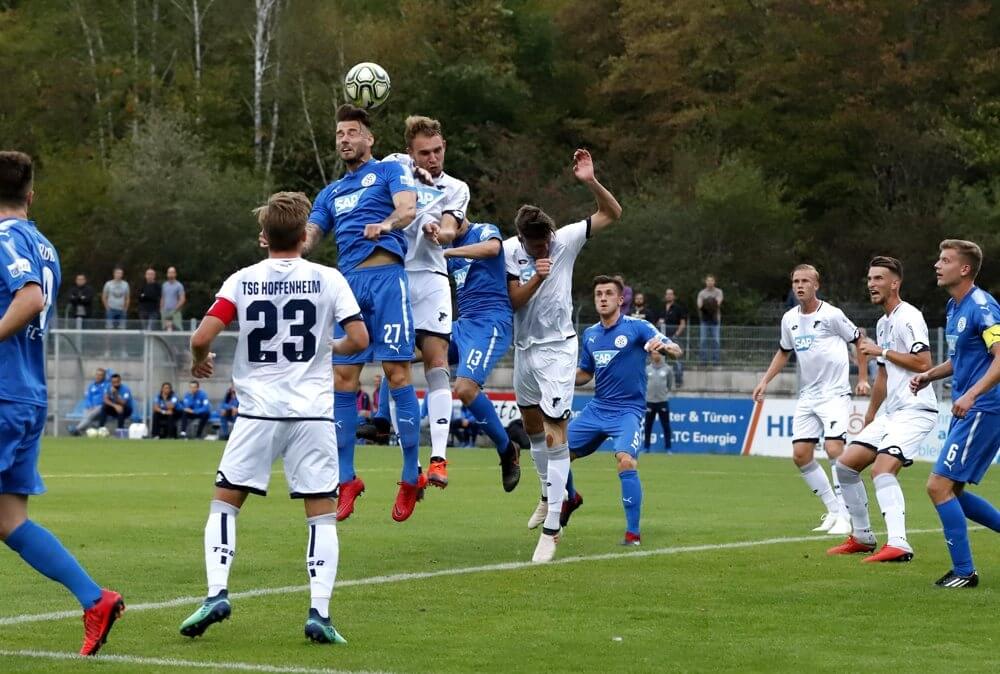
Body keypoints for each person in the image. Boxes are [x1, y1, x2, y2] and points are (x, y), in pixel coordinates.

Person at [179, 190, 367, 642]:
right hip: (313, 415)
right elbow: (359, 339)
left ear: (264, 237)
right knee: (321, 514)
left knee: (225, 503)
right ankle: (319, 614)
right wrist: (332, 347)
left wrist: (199, 359)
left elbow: (202, 334)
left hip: (259, 413)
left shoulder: (242, 280)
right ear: (305, 236)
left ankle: (216, 593)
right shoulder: (328, 279)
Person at [0, 150, 123, 655]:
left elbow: (28, 298)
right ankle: (95, 599)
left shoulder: (5, 239)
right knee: (9, 520)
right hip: (27, 393)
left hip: (4, 391)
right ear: (31, 194)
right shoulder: (44, 246)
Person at [299, 104, 420, 523]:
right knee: (342, 378)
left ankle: (410, 477)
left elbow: (408, 209)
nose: (345, 139)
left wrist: (385, 225)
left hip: (387, 279)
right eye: (339, 134)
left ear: (369, 139)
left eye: (352, 132)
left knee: (397, 373)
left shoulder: (388, 172)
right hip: (347, 288)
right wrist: (289, 242)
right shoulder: (329, 193)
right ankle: (347, 477)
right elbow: (312, 234)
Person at [504, 148, 622, 563]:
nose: (543, 250)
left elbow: (612, 213)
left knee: (556, 436)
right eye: (535, 246)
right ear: (521, 239)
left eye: (545, 243)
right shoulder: (507, 252)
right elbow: (514, 302)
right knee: (533, 429)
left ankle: (552, 529)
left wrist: (590, 181)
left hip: (558, 349)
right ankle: (547, 493)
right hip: (524, 351)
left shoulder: (566, 239)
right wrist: (536, 278)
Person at [360, 115, 469, 486]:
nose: (433, 158)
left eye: (438, 150)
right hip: (395, 278)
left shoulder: (456, 187)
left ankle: (439, 458)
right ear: (410, 152)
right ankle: (412, 464)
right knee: (397, 367)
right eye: (424, 153)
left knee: (437, 362)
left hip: (433, 279)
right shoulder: (395, 167)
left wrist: (443, 231)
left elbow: (453, 225)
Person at [828, 256, 937, 562]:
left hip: (916, 411)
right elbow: (884, 375)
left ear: (895, 283)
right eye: (869, 279)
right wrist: (871, 414)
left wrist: (881, 349)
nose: (871, 284)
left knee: (882, 469)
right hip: (891, 413)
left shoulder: (908, 316)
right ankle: (863, 537)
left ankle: (900, 543)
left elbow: (924, 363)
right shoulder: (883, 322)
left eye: (878, 279)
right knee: (846, 466)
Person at [560, 276, 681, 545]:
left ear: (620, 299)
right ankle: (572, 497)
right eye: (598, 294)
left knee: (626, 460)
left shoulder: (637, 328)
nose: (602, 298)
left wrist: (665, 347)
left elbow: (676, 349)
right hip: (597, 408)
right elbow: (585, 374)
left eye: (608, 294)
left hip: (628, 411)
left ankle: (632, 534)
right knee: (556, 453)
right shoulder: (590, 334)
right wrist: (561, 376)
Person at [752, 264, 869, 536]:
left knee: (834, 449)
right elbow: (784, 352)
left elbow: (858, 340)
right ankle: (833, 510)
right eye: (795, 281)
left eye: (805, 281)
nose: (799, 285)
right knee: (801, 455)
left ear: (817, 285)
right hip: (808, 395)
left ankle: (847, 515)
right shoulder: (789, 319)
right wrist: (764, 380)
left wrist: (862, 377)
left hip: (834, 393)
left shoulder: (832, 315)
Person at [910, 239, 1000, 588]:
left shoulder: (982, 305)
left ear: (964, 269)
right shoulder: (954, 306)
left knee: (938, 486)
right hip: (972, 407)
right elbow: (963, 358)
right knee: (953, 490)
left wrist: (973, 394)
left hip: (983, 407)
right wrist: (929, 374)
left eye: (945, 260)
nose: (937, 264)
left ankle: (964, 572)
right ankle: (963, 570)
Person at [439, 218, 521, 488]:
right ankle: (381, 422)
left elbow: (492, 249)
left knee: (464, 388)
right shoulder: (446, 246)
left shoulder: (483, 231)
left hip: (490, 323)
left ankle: (506, 448)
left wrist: (449, 251)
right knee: (403, 352)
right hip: (462, 324)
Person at [644, 350, 674, 451]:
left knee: (666, 426)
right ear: (651, 355)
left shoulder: (667, 369)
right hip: (650, 401)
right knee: (648, 426)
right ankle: (646, 447)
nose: (656, 355)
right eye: (654, 353)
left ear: (661, 355)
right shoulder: (647, 369)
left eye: (658, 353)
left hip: (662, 401)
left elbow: (669, 384)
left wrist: (665, 393)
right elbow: (643, 383)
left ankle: (668, 448)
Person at [659, 288, 688, 386]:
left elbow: (683, 323)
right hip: (663, 337)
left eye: (671, 294)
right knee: (663, 359)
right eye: (667, 294)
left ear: (674, 296)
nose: (669, 296)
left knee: (676, 359)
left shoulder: (678, 308)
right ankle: (664, 382)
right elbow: (658, 322)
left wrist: (676, 335)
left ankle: (679, 380)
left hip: (675, 338)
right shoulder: (662, 309)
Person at [69, 367, 109, 436]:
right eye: (97, 374)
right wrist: (90, 406)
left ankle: (77, 429)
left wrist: (95, 406)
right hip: (90, 407)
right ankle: (79, 431)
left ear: (103, 376)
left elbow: (105, 398)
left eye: (100, 375)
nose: (98, 376)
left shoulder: (106, 385)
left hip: (100, 406)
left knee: (89, 415)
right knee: (87, 416)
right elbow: (88, 397)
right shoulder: (91, 385)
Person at [697, 275, 723, 364]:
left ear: (714, 282)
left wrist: (707, 302)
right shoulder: (702, 293)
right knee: (703, 340)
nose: (710, 282)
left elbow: (718, 303)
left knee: (716, 340)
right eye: (708, 281)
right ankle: (703, 361)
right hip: (704, 320)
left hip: (715, 320)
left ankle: (716, 360)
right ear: (706, 282)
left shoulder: (719, 292)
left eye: (711, 281)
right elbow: (699, 305)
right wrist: (711, 302)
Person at [161, 266, 186, 331]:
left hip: (175, 312)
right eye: (169, 272)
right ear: (167, 274)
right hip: (165, 311)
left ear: (175, 274)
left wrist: (175, 309)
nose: (171, 274)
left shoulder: (179, 285)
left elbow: (182, 299)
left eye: (172, 272)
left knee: (178, 329)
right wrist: (161, 309)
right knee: (165, 329)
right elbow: (163, 297)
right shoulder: (164, 285)